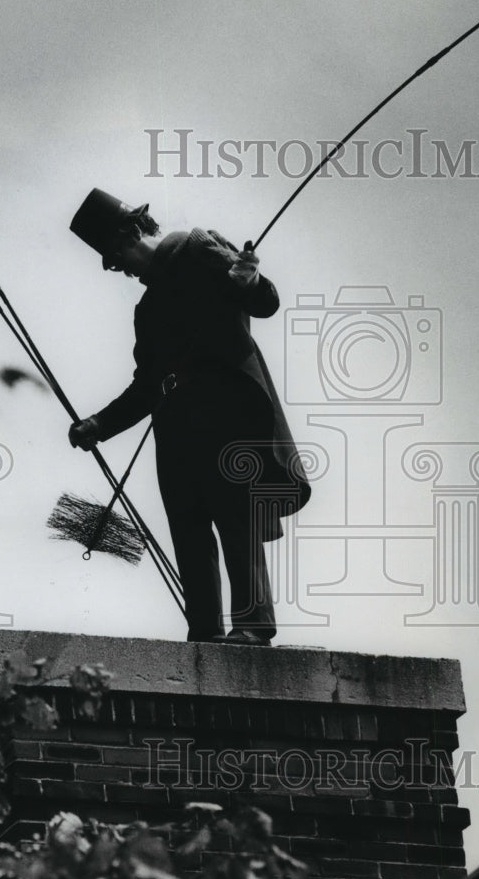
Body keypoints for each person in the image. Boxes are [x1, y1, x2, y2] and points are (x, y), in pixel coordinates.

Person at [68, 188, 310, 646]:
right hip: (175, 431)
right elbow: (145, 386)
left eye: (116, 255)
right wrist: (98, 424)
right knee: (189, 529)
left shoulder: (198, 248)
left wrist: (249, 282)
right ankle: (204, 631)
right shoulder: (146, 311)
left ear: (132, 232)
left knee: (236, 520)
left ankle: (253, 625)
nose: (120, 268)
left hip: (225, 418)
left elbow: (265, 300)